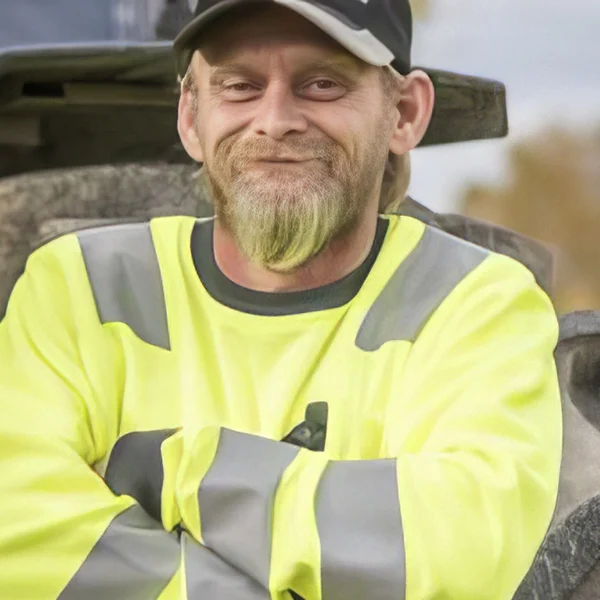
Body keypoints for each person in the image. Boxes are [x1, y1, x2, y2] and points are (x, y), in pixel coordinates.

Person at [0, 1, 562, 599]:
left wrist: (168, 468)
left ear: (404, 113)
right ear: (191, 115)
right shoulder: (80, 285)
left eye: (322, 84)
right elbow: (15, 530)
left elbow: (463, 549)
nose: (274, 119)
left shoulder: (479, 303)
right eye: (240, 85)